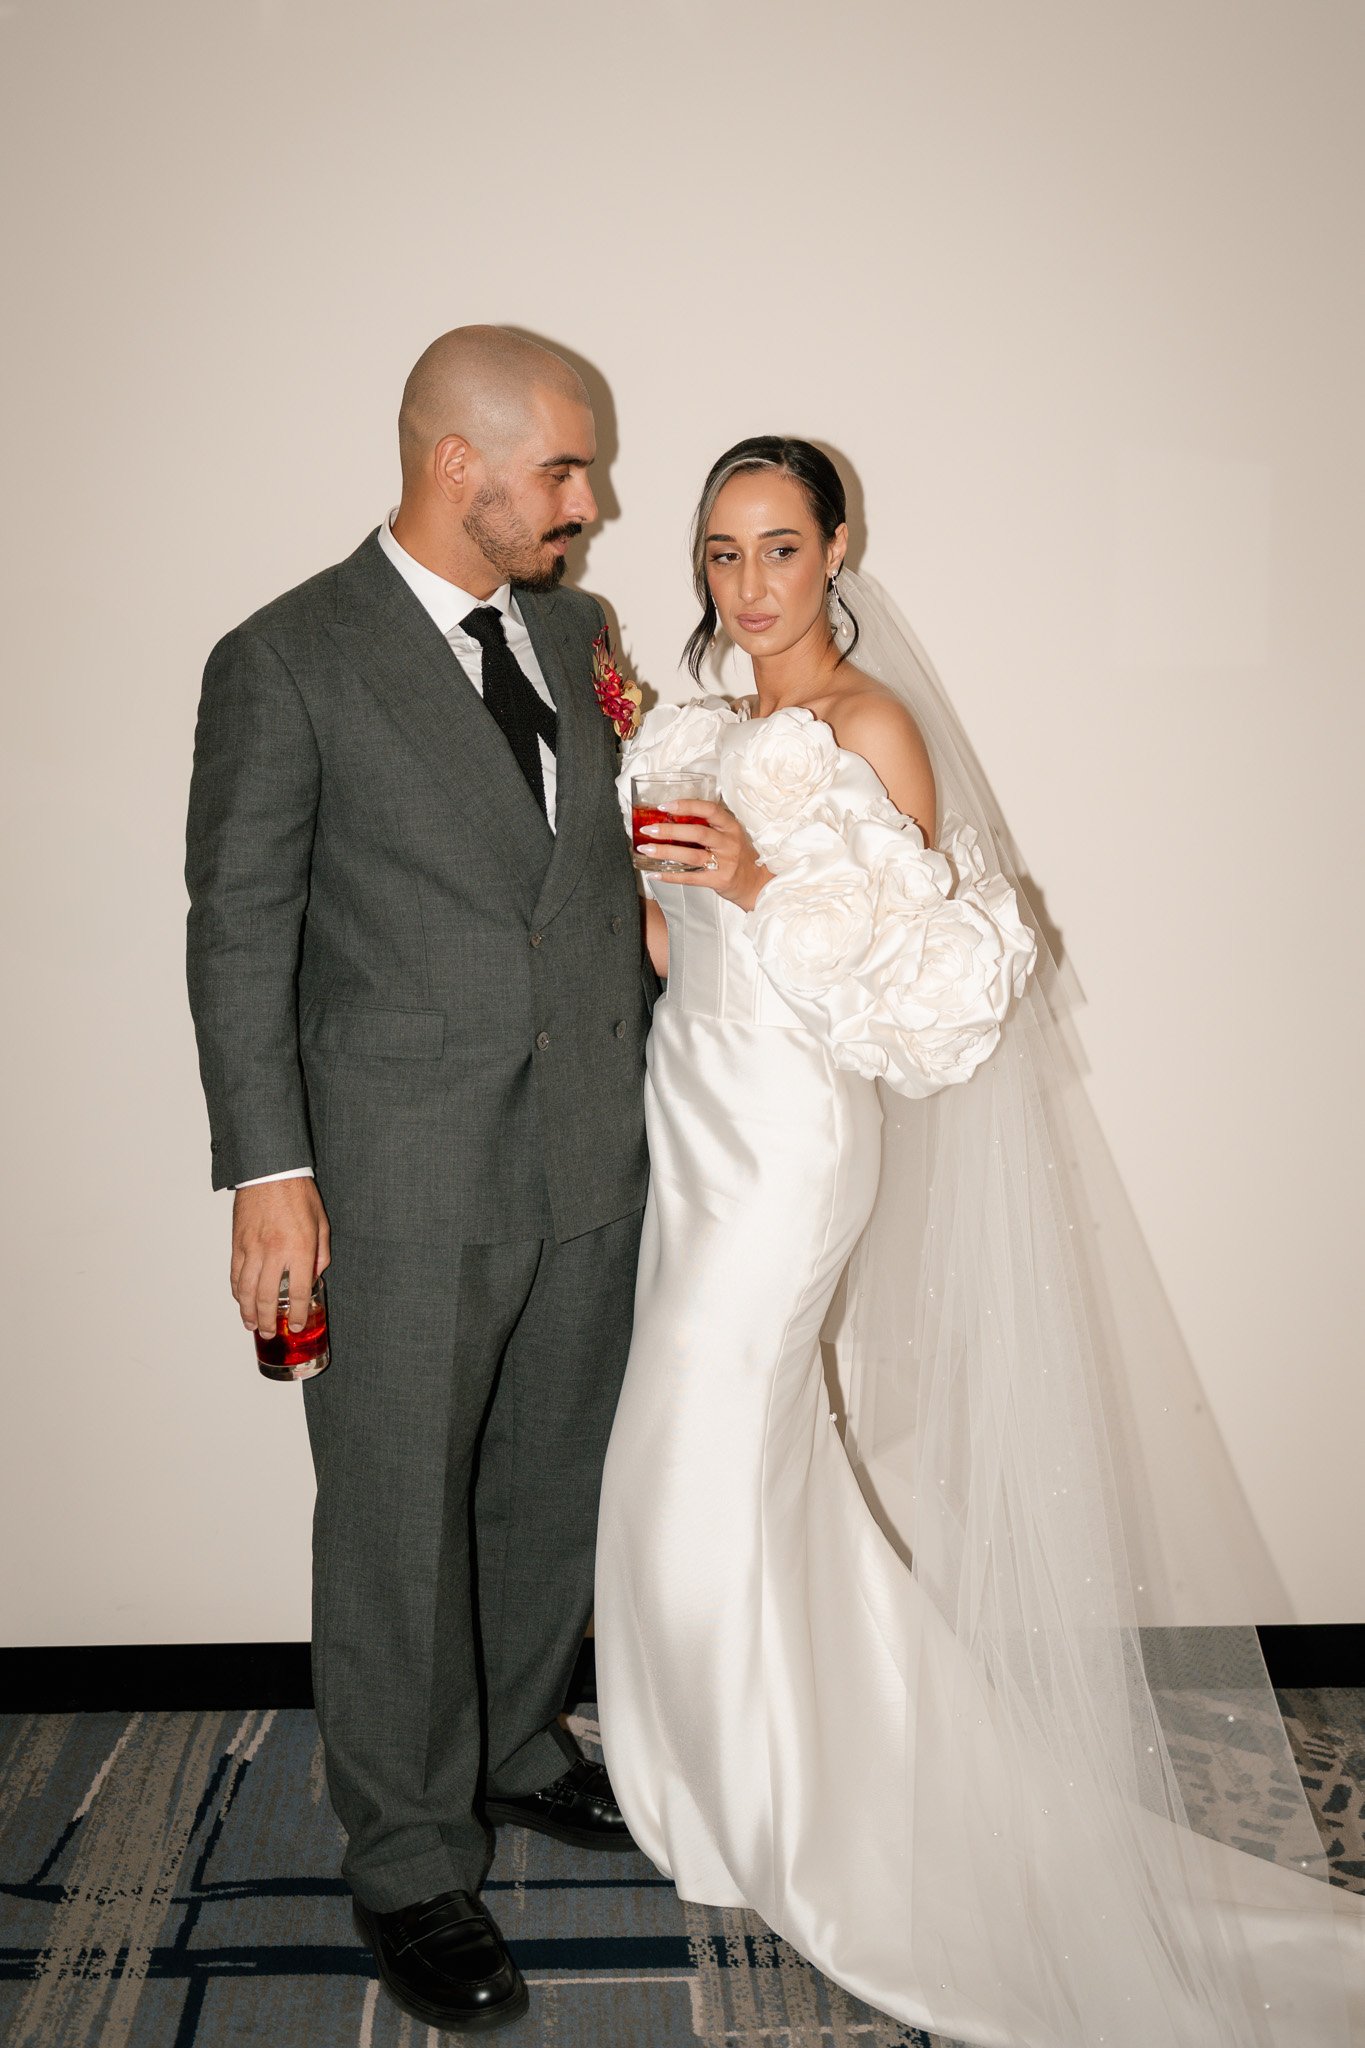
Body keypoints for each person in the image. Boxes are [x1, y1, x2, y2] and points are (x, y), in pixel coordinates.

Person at [595, 437, 1365, 2045]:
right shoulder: (709, 725)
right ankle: (726, 1779)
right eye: (721, 554)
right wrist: (658, 888)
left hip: (794, 1138)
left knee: (698, 1448)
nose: (748, 585)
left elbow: (904, 986)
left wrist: (746, 872)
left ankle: (768, 1803)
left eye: (779, 550)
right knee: (724, 1460)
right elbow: (683, 953)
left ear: (838, 548)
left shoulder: (870, 727)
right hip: (694, 1114)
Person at [185, 326, 648, 2034]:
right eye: (564, 470)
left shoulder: (577, 631)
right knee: (391, 1523)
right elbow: (238, 930)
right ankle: (405, 1862)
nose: (587, 503)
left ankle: (516, 1744)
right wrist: (267, 1173)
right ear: (459, 465)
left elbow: (582, 879)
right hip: (394, 1169)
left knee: (549, 1482)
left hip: (593, 1142)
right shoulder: (286, 659)